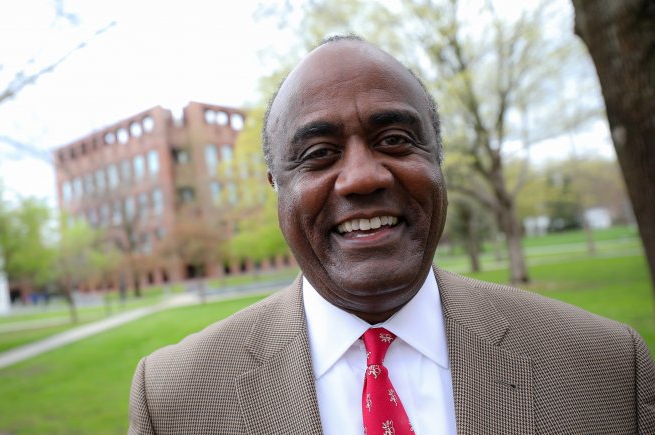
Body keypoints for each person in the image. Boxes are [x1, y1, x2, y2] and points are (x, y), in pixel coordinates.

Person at [128, 36, 654, 434]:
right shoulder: (174, 398)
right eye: (319, 154)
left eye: (395, 140)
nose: (363, 177)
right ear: (276, 187)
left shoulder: (605, 368)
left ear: (438, 163)